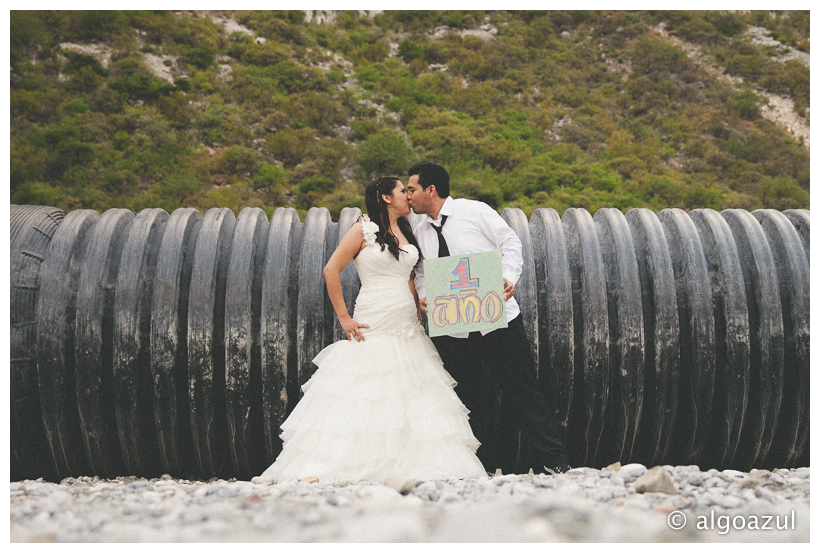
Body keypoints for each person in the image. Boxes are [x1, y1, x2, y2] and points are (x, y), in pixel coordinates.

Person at [252, 176, 487, 490]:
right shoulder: (362, 229)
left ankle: (412, 464)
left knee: (412, 386)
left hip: (405, 317)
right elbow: (330, 269)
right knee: (366, 386)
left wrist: (420, 302)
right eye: (403, 191)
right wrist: (344, 318)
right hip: (373, 315)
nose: (408, 195)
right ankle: (344, 462)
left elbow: (408, 276)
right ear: (385, 197)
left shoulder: (407, 230)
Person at [406, 161, 570, 475]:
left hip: (497, 319)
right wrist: (426, 294)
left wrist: (508, 277)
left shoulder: (475, 212)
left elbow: (510, 243)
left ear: (431, 189)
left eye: (412, 189)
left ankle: (554, 462)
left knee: (522, 389)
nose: (409, 196)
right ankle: (482, 467)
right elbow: (423, 271)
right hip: (452, 327)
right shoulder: (420, 230)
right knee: (468, 394)